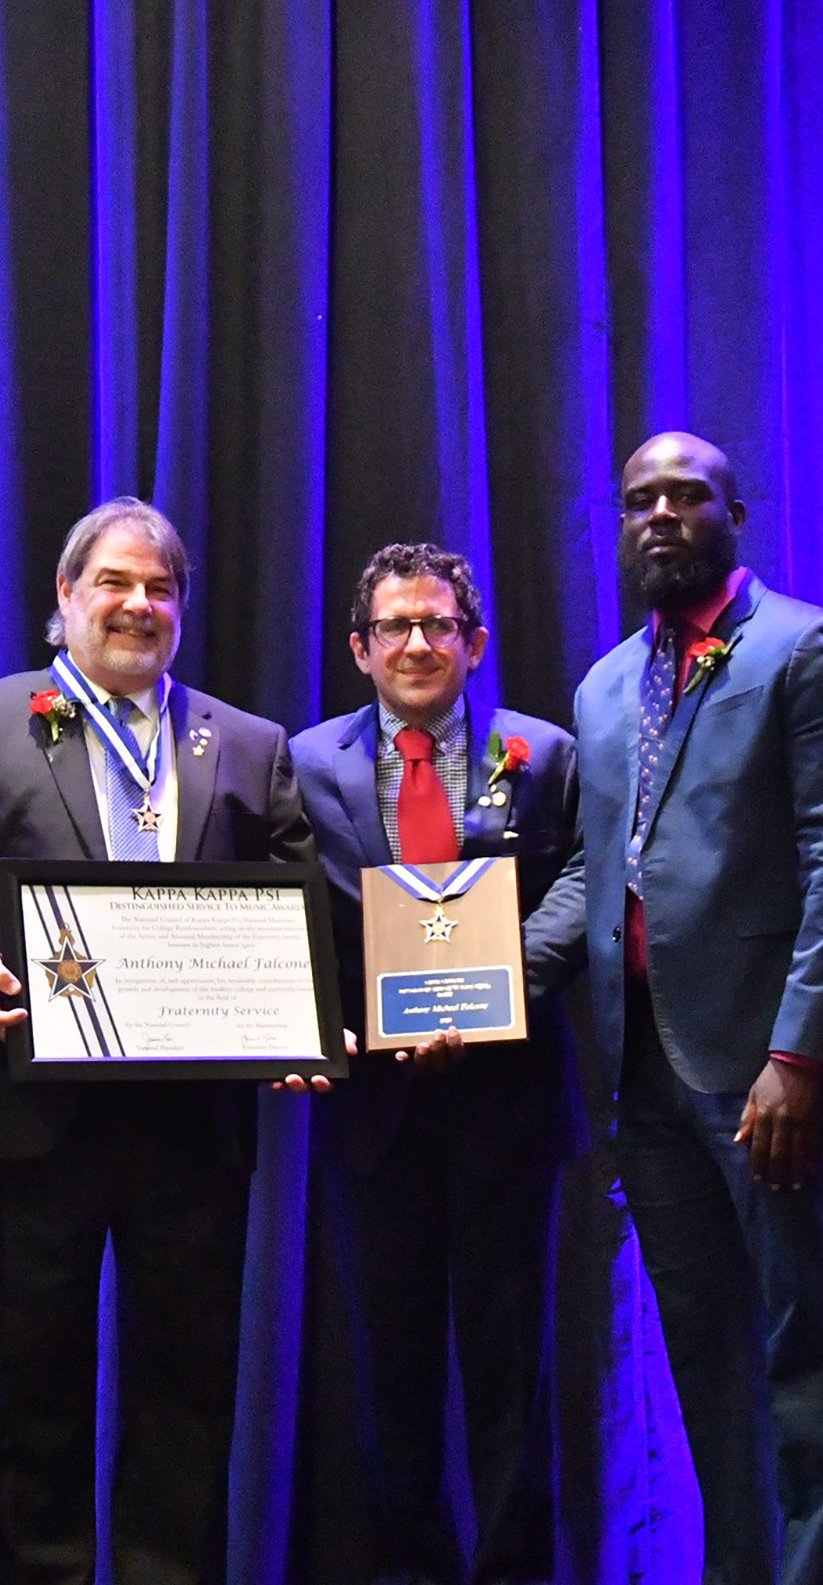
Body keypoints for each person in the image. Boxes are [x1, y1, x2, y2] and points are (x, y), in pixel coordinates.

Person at [0, 497, 315, 1585]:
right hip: (25, 1116)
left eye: (160, 587)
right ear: (64, 598)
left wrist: (295, 1014)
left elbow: (293, 897)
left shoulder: (248, 743)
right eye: (115, 584)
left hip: (192, 1124)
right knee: (22, 1395)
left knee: (187, 1389)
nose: (139, 604)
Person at [523, 433, 823, 1585]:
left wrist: (800, 1053)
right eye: (642, 500)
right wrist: (489, 989)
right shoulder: (602, 683)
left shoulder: (809, 647)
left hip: (768, 1072)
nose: (664, 514)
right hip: (645, 1076)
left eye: (689, 495)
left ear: (738, 511)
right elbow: (599, 868)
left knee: (808, 1356)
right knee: (712, 1368)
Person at [287, 544, 580, 1585]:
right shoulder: (305, 760)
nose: (419, 643)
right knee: (389, 1375)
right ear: (360, 648)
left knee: (514, 1374)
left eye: (440, 625)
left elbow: (586, 882)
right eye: (396, 627)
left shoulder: (539, 752)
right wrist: (325, 1025)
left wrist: (506, 980)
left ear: (475, 641)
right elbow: (291, 911)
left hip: (509, 1104)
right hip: (372, 1110)